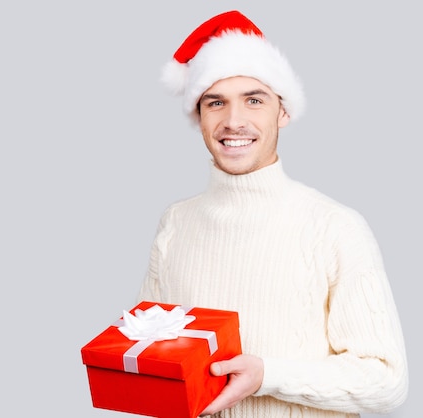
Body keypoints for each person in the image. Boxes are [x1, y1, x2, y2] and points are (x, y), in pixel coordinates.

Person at [137, 10, 408, 418]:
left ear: (283, 112)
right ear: (199, 116)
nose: (233, 121)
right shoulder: (176, 223)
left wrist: (267, 375)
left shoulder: (335, 227)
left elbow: (386, 381)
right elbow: (152, 357)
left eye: (254, 100)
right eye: (216, 102)